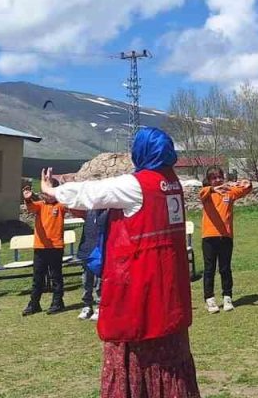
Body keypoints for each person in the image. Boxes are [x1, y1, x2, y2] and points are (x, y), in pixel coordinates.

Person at [42, 127, 200, 398]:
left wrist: (52, 190)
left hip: (140, 288)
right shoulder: (171, 183)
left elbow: (92, 192)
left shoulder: (137, 185)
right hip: (168, 288)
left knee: (135, 347)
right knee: (170, 354)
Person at [198, 167, 253, 314]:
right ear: (209, 180)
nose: (217, 180)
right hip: (209, 237)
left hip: (226, 236)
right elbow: (201, 193)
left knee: (225, 268)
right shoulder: (207, 192)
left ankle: (227, 297)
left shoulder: (229, 192)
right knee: (209, 269)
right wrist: (213, 189)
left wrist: (247, 183)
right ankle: (209, 299)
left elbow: (245, 189)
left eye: (219, 177)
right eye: (214, 178)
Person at [22, 184, 69, 316]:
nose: (47, 196)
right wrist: (28, 199)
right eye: (45, 193)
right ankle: (34, 304)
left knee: (56, 276)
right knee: (38, 277)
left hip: (55, 247)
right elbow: (30, 207)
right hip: (40, 247)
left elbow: (69, 204)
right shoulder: (40, 205)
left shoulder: (60, 206)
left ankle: (57, 302)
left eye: (49, 193)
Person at [77, 207, 107, 321]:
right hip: (87, 249)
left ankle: (99, 307)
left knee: (100, 281)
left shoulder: (107, 211)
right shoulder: (88, 210)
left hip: (100, 250)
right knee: (86, 280)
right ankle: (87, 306)